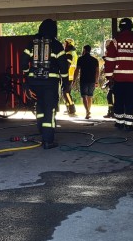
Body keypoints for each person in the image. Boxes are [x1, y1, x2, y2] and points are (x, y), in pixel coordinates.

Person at [20, 19, 68, 149]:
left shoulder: (32, 44)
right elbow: (64, 66)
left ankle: (42, 132)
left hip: (33, 83)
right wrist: (66, 83)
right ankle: (48, 141)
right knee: (49, 110)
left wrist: (26, 76)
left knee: (40, 108)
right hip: (50, 84)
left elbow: (23, 62)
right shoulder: (57, 45)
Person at [103, 18, 133, 132]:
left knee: (119, 100)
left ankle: (119, 123)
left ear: (120, 28)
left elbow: (110, 60)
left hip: (119, 79)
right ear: (131, 27)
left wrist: (109, 77)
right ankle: (128, 124)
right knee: (130, 101)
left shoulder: (115, 42)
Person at [75, 45, 100, 119]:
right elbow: (97, 71)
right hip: (92, 80)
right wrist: (96, 81)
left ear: (84, 50)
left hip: (83, 80)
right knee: (90, 96)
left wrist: (74, 80)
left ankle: (87, 111)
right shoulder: (95, 60)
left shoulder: (80, 59)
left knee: (84, 96)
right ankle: (88, 112)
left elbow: (77, 70)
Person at [61, 38, 78, 116]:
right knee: (65, 93)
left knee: (66, 93)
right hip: (70, 76)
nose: (64, 45)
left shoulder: (69, 53)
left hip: (68, 76)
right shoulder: (72, 52)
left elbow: (67, 65)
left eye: (65, 43)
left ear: (69, 44)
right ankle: (68, 108)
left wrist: (62, 72)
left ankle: (72, 109)